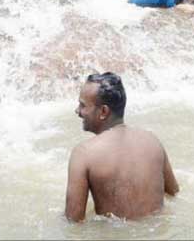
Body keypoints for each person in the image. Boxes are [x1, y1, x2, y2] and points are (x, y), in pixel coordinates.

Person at [65, 73, 179, 221]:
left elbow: (73, 221)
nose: (77, 111)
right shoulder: (152, 141)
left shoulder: (84, 154)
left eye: (82, 105)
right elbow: (173, 192)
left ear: (103, 112)